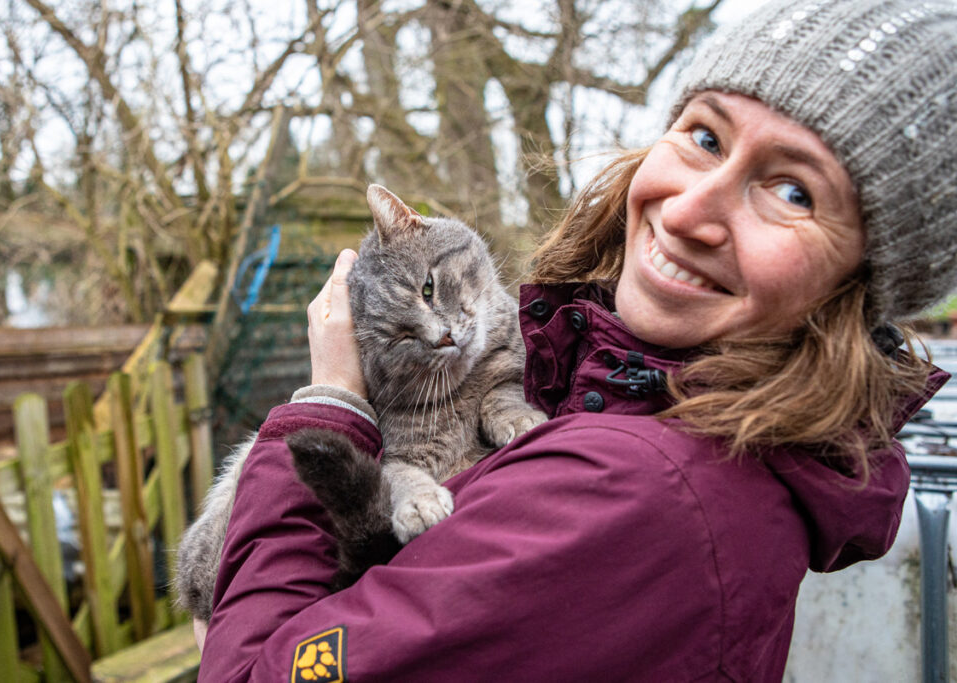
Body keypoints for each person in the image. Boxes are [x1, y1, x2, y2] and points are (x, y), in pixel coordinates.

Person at [198, 0, 956, 679]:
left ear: (864, 280)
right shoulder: (634, 389)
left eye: (794, 191)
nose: (691, 210)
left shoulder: (636, 490)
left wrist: (329, 400)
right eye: (703, 134)